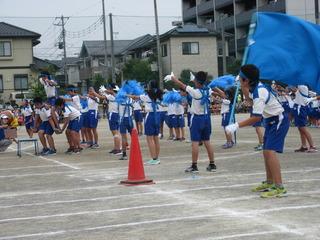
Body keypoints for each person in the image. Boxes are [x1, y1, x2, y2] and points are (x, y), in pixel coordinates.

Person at [226, 64, 289, 198]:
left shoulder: (259, 92)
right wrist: (243, 87)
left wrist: (236, 125)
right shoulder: (253, 87)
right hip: (271, 120)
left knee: (270, 152)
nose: (239, 79)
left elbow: (255, 118)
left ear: (247, 80)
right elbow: (249, 101)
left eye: (241, 77)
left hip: (278, 120)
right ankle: (269, 182)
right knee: (266, 152)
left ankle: (280, 187)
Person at [165, 71, 216, 173]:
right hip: (206, 118)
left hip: (197, 119)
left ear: (197, 81)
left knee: (195, 143)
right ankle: (212, 164)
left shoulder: (195, 92)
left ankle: (194, 166)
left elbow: (182, 85)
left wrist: (173, 78)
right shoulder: (207, 90)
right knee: (207, 142)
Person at [128, 80, 163, 165]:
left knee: (149, 138)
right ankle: (157, 158)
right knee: (156, 138)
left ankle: (154, 158)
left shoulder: (147, 95)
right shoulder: (160, 94)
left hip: (150, 116)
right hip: (158, 115)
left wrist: (126, 94)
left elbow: (135, 97)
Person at [94, 84, 122, 155]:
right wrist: (104, 91)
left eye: (109, 89)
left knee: (115, 132)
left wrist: (94, 92)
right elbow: (105, 94)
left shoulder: (112, 95)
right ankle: (117, 147)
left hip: (113, 114)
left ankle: (118, 149)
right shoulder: (116, 95)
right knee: (116, 132)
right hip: (116, 114)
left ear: (112, 89)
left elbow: (101, 97)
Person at [292, 85, 317, 152]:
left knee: (303, 128)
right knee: (300, 128)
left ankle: (312, 146)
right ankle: (304, 146)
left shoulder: (302, 86)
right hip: (298, 108)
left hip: (300, 108)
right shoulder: (302, 86)